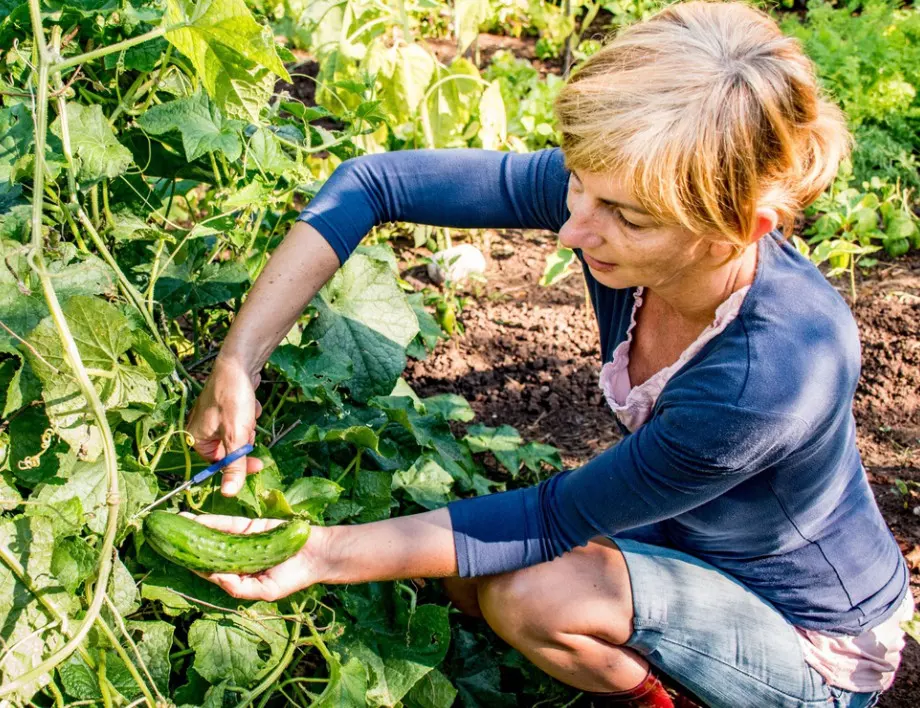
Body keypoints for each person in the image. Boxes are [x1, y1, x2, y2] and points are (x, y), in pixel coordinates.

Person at [184, 2, 913, 706]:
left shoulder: (768, 377)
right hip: (687, 534)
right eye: (577, 186)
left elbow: (549, 519)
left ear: (739, 227)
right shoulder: (620, 200)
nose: (573, 230)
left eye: (624, 217)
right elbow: (375, 182)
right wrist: (238, 363)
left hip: (810, 634)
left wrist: (318, 554)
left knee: (526, 593)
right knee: (466, 579)